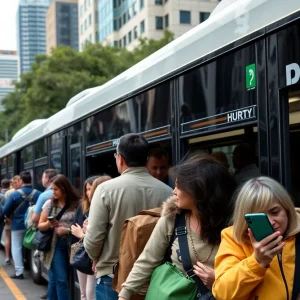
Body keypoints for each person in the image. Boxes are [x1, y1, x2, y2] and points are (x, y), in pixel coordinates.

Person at [118, 155, 236, 300]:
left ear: (199, 191)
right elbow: (148, 259)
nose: (174, 191)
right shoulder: (173, 218)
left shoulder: (233, 225)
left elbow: (247, 271)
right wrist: (125, 294)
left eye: (179, 186)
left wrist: (220, 280)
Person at [84, 133, 173, 300]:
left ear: (121, 159)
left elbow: (93, 240)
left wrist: (96, 257)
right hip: (154, 279)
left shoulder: (105, 190)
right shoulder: (168, 192)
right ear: (146, 160)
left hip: (112, 278)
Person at [212, 176, 300, 299]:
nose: (270, 221)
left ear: (287, 209)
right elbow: (223, 293)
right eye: (260, 217)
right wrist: (257, 261)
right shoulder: (234, 238)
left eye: (275, 212)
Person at [38, 174, 80, 300]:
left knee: (55, 279)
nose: (53, 192)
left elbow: (82, 224)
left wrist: (66, 230)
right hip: (55, 246)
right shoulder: (49, 204)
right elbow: (40, 225)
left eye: (56, 189)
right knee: (61, 280)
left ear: (64, 188)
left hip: (73, 245)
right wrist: (49, 224)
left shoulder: (76, 203)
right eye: (52, 189)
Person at [71, 175, 111, 300]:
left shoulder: (103, 207)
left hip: (95, 255)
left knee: (90, 294)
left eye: (91, 189)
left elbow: (100, 236)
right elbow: (75, 226)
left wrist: (82, 234)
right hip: (84, 253)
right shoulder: (82, 207)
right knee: (83, 293)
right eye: (87, 189)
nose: (89, 193)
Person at [3, 171, 41, 279]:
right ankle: (33, 264)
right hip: (33, 225)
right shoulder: (38, 193)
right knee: (33, 246)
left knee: (16, 247)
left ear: (21, 181)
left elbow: (5, 210)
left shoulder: (15, 194)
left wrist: (8, 217)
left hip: (17, 225)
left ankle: (19, 272)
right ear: (31, 180)